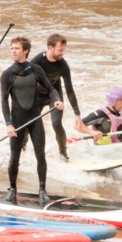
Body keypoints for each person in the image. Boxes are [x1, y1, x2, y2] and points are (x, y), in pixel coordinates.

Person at [0, 36, 64, 206]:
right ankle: (12, 189)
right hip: (17, 121)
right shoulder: (7, 74)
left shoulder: (35, 69)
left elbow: (51, 89)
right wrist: (8, 124)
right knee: (14, 157)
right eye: (12, 48)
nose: (13, 51)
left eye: (17, 48)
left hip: (35, 119)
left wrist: (56, 99)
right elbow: (4, 101)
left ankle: (42, 190)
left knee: (40, 154)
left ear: (25, 50)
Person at [30, 33, 93, 161]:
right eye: (60, 50)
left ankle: (63, 153)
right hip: (36, 95)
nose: (62, 53)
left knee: (56, 123)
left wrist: (77, 114)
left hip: (54, 96)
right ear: (50, 48)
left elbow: (69, 90)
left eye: (63, 50)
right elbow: (24, 80)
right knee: (29, 125)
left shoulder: (63, 66)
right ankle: (23, 148)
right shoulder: (37, 61)